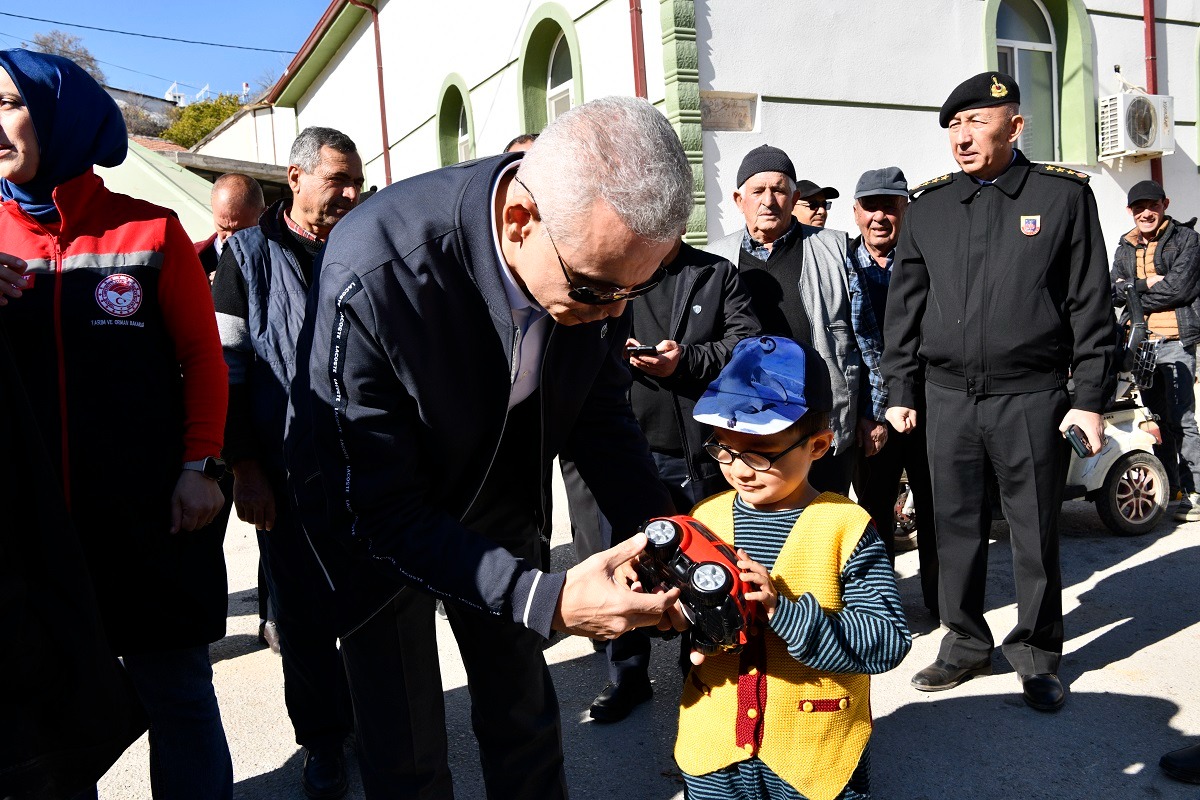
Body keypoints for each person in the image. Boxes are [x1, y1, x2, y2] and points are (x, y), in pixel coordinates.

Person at [284, 96, 691, 800]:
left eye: (642, 286)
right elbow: (379, 511)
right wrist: (549, 600)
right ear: (519, 221)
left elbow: (598, 416)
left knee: (525, 723)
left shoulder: (586, 263)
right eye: (597, 289)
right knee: (407, 754)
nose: (616, 312)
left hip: (499, 500)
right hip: (377, 527)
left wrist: (672, 536)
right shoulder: (375, 270)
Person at [0, 49, 233, 797]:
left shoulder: (153, 232)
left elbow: (203, 359)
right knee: (52, 719)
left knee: (180, 701)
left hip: (150, 522)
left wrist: (200, 468)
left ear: (62, 117)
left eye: (8, 104)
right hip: (34, 536)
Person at [883, 72, 1116, 711]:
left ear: (1015, 126)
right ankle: (963, 643)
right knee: (952, 526)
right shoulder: (928, 207)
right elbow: (904, 308)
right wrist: (899, 387)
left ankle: (1039, 654)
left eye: (975, 121)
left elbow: (1090, 306)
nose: (961, 136)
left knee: (1034, 529)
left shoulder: (1063, 198)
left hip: (1031, 396)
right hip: (947, 397)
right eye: (953, 125)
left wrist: (1090, 398)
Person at [675, 335, 910, 800]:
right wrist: (665, 611)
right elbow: (686, 617)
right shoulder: (706, 519)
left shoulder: (845, 526)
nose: (739, 469)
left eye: (761, 452)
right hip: (712, 743)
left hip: (815, 755)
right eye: (724, 447)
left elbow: (887, 640)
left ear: (819, 445)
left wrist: (785, 612)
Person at [212, 126, 363, 799]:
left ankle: (378, 722)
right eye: (340, 180)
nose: (353, 193)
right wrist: (244, 467)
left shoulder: (367, 241)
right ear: (296, 177)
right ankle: (324, 744)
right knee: (302, 619)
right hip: (284, 475)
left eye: (356, 179)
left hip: (368, 470)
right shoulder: (243, 258)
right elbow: (227, 372)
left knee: (371, 607)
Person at [563, 234, 760, 722]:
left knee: (702, 565)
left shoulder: (715, 274)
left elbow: (746, 344)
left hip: (697, 451)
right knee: (628, 564)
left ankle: (702, 666)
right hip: (627, 453)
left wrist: (684, 361)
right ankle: (627, 677)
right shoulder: (612, 272)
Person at [707, 145, 888, 496]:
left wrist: (873, 412)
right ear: (738, 199)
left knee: (822, 524)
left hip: (821, 423)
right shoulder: (717, 260)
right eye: (758, 191)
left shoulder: (836, 249)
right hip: (746, 425)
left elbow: (868, 340)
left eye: (779, 189)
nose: (769, 200)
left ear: (794, 197)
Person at [846, 167, 939, 613]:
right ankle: (881, 606)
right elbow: (845, 345)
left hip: (930, 408)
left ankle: (944, 603)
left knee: (939, 511)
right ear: (856, 212)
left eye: (890, 205)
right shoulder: (841, 263)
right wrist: (870, 413)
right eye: (871, 206)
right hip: (873, 414)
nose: (880, 216)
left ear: (906, 209)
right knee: (874, 514)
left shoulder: (928, 257)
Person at [1110, 179, 1200, 521]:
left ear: (1165, 204)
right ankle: (1173, 488)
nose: (1145, 213)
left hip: (1175, 341)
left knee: (1182, 419)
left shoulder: (1187, 240)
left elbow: (1179, 289)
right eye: (1138, 207)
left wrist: (1130, 291)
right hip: (1138, 345)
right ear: (1130, 211)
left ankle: (1196, 491)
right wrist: (1146, 284)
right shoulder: (1125, 247)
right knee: (1155, 419)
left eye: (1152, 205)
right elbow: (1109, 289)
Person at [195, 172, 266, 282]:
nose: (230, 238)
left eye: (241, 230)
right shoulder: (191, 258)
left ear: (264, 216)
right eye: (222, 228)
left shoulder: (281, 259)